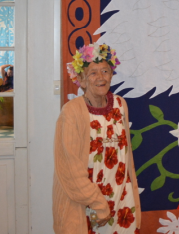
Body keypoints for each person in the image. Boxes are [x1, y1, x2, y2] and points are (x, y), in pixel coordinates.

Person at [53, 43, 141, 234]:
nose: (101, 77)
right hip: (87, 205)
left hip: (122, 202)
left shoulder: (120, 104)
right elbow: (70, 169)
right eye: (93, 73)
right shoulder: (72, 112)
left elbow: (126, 158)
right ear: (81, 80)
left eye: (105, 71)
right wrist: (99, 204)